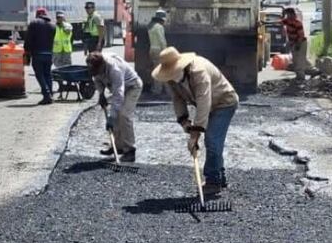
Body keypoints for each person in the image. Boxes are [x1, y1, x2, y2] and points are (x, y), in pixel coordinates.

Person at [151, 47, 238, 196]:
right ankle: (219, 176)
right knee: (213, 141)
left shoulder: (199, 72)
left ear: (181, 67)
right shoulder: (173, 80)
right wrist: (184, 121)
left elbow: (204, 102)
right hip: (208, 106)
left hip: (224, 103)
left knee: (212, 140)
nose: (171, 77)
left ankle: (213, 182)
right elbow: (177, 99)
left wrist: (194, 135)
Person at [87, 52, 143, 162]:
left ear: (102, 66)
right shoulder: (95, 67)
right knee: (116, 114)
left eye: (97, 71)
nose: (95, 73)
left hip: (132, 87)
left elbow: (118, 94)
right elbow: (97, 80)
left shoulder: (115, 69)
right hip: (119, 89)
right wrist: (101, 93)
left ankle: (130, 151)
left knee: (124, 115)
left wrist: (111, 118)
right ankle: (118, 147)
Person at [24, 7, 56, 105]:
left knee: (40, 74)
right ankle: (50, 94)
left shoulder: (34, 24)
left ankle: (46, 95)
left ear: (37, 15)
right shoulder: (52, 25)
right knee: (48, 74)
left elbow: (28, 39)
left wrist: (27, 51)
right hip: (49, 54)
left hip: (38, 54)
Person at [282, 7, 308, 80]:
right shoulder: (287, 21)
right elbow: (278, 22)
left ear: (292, 14)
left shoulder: (297, 23)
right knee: (295, 60)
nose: (288, 16)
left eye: (288, 14)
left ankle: (301, 77)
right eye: (287, 15)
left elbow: (301, 35)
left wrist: (298, 45)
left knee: (300, 60)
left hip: (301, 43)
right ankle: (298, 76)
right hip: (294, 43)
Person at [147, 10, 168, 95]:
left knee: (156, 69)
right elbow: (162, 40)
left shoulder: (151, 26)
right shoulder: (159, 27)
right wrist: (166, 51)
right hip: (159, 51)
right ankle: (160, 90)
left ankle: (156, 88)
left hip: (152, 50)